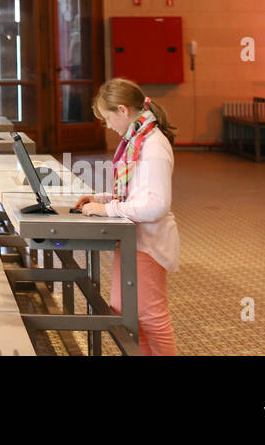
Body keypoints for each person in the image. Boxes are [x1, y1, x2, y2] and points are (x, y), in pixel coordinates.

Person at [73, 77, 179, 355]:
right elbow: (136, 195)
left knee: (151, 318)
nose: (108, 126)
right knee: (127, 312)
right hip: (135, 239)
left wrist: (107, 210)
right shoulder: (138, 141)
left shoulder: (152, 146)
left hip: (148, 243)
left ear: (123, 110)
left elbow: (156, 205)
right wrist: (101, 199)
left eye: (108, 118)